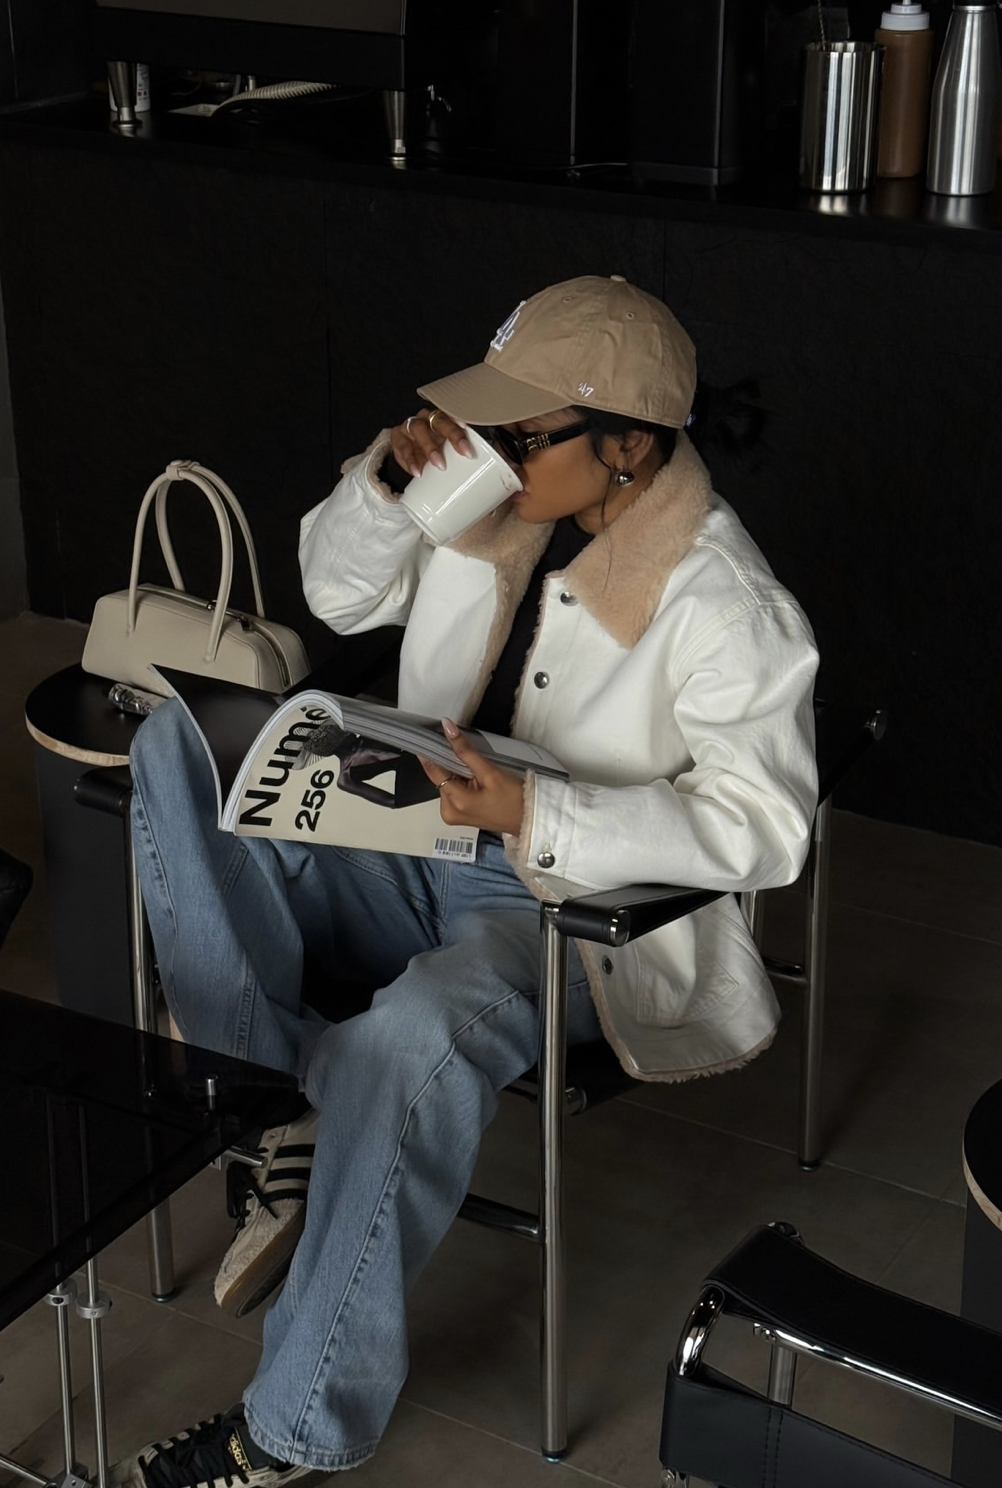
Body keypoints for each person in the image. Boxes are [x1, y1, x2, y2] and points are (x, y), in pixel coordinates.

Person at [115, 275, 819, 1488]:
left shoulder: (724, 599)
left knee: (413, 1041)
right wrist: (388, 488)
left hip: (565, 920)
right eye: (486, 421)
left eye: (523, 433)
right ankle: (271, 1097)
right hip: (409, 838)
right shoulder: (484, 498)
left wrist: (540, 810)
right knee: (175, 743)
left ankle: (288, 1430)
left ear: (628, 448)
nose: (490, 450)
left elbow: (767, 828)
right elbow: (333, 591)